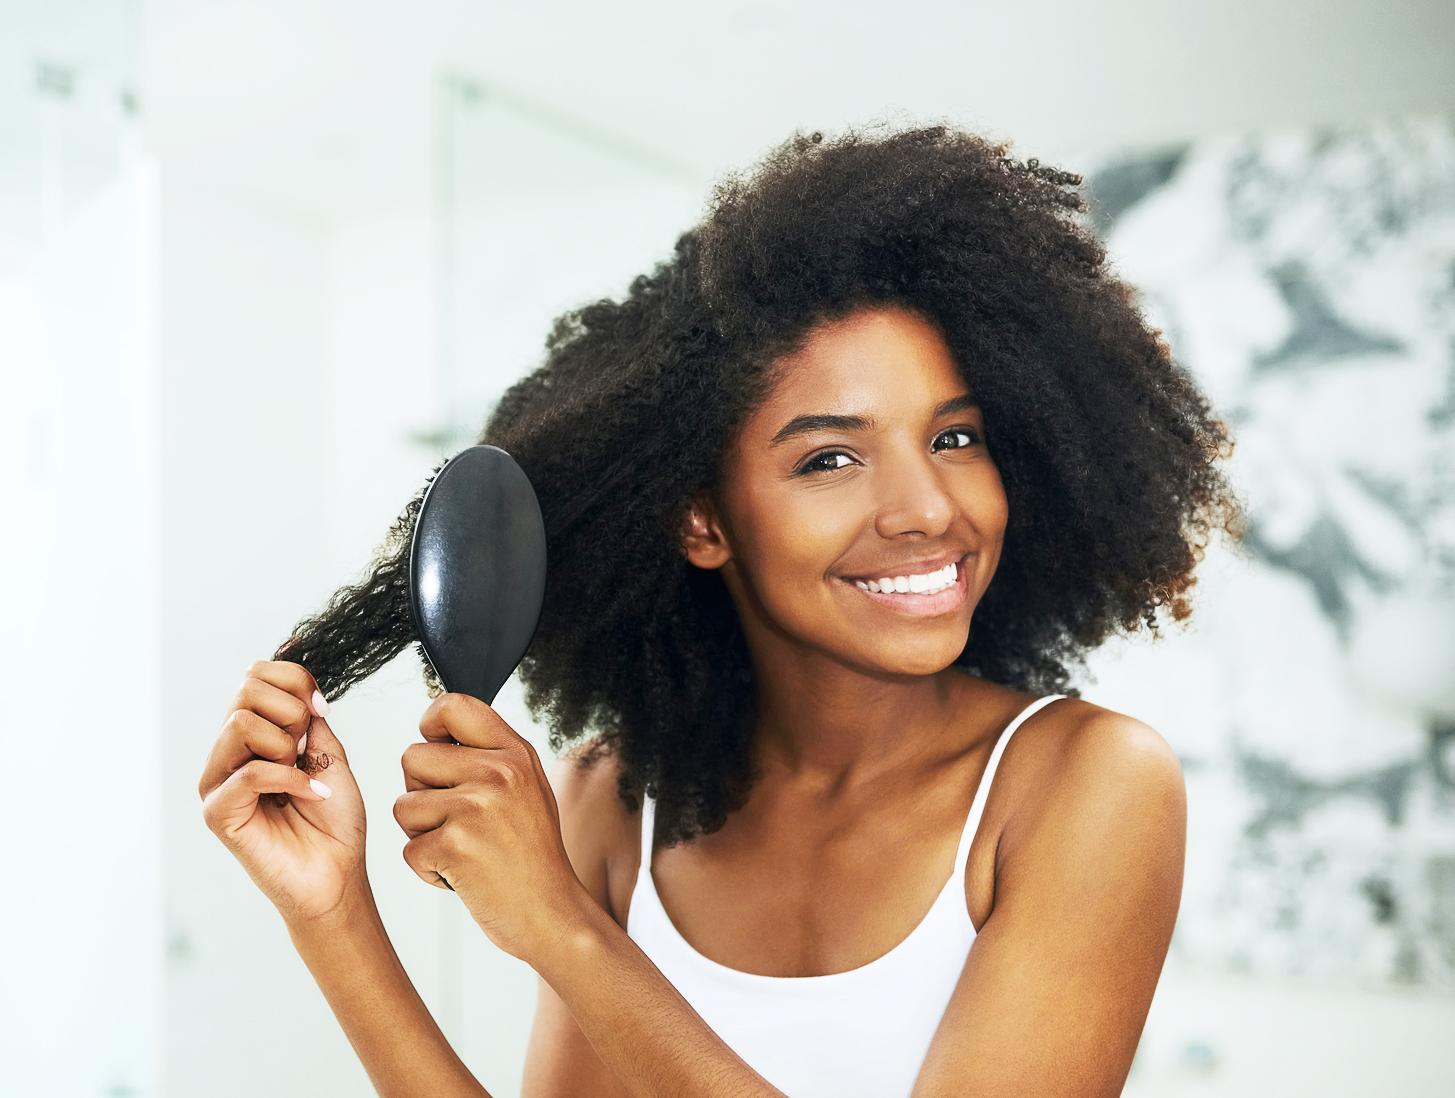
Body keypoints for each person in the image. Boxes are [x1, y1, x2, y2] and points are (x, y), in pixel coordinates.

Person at [199, 121, 1245, 1096]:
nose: (928, 507)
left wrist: (561, 924)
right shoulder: (618, 799)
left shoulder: (1083, 784)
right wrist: (331, 910)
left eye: (955, 438)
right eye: (831, 457)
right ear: (703, 520)